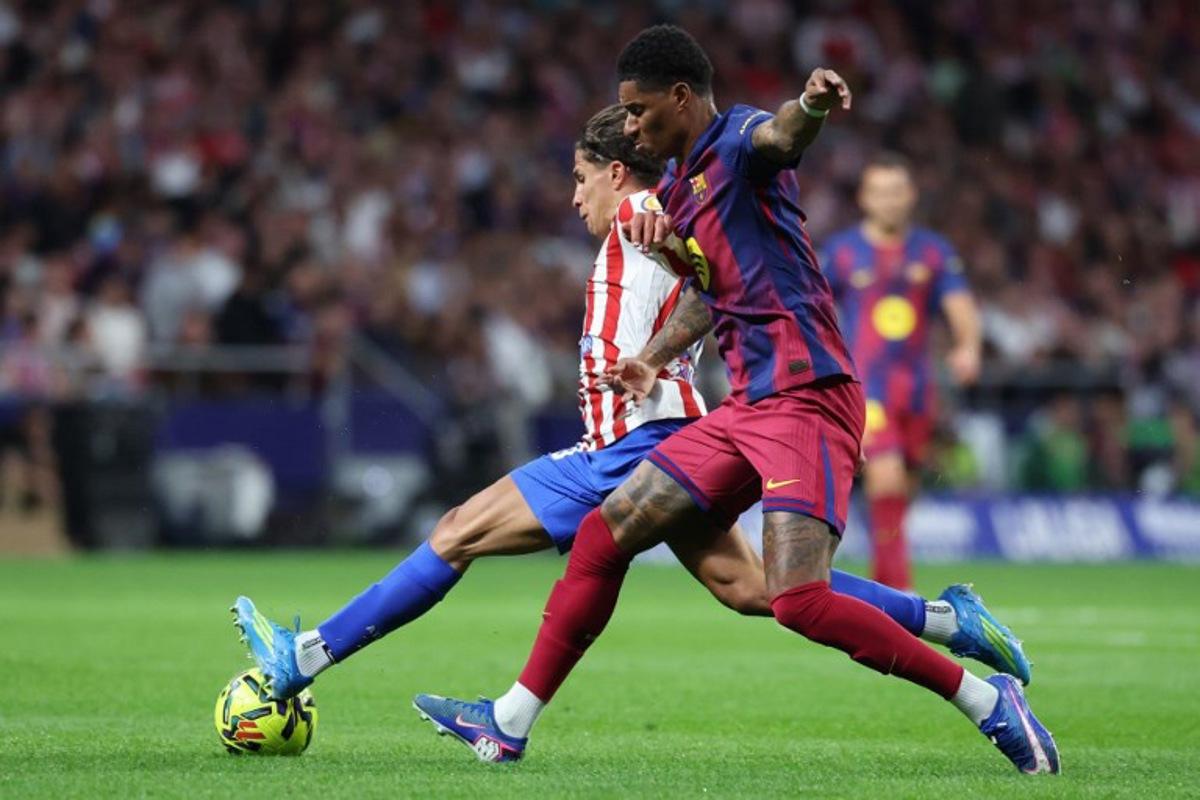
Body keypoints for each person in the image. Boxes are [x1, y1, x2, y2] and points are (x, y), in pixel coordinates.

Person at [413, 25, 1058, 775]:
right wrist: (652, 358)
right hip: (746, 408)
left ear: (681, 97)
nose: (629, 125)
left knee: (797, 600)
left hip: (806, 397)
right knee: (605, 532)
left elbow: (783, 139)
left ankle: (986, 701)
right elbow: (712, 294)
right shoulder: (683, 189)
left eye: (638, 109)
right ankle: (509, 722)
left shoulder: (740, 137)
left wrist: (811, 107)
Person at [231, 106, 1025, 712]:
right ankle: (947, 620)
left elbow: (723, 282)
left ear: (618, 173)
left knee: (456, 530)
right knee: (764, 591)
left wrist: (665, 289)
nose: (574, 198)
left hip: (635, 444)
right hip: (663, 434)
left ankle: (305, 659)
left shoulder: (655, 221)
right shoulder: (648, 224)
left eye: (581, 179)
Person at [821, 153, 983, 589]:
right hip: (865, 386)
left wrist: (968, 347)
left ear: (910, 196)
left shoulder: (932, 251)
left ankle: (885, 570)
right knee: (886, 475)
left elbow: (959, 303)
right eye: (879, 192)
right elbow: (811, 303)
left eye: (896, 192)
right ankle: (896, 587)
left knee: (904, 486)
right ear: (864, 199)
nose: (889, 201)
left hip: (916, 388)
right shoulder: (841, 252)